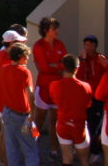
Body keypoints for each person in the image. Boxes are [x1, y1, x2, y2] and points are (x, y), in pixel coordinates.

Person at [0, 43, 39, 166]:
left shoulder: (4, 69)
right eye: (26, 56)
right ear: (21, 56)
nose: (27, 59)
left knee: (12, 147)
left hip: (7, 112)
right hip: (22, 116)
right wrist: (32, 114)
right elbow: (30, 95)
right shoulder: (25, 72)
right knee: (30, 149)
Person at [50, 55, 93, 166]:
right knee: (84, 160)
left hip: (63, 124)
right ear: (77, 68)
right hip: (79, 125)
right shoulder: (86, 86)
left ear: (63, 67)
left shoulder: (54, 85)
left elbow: (55, 100)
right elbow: (88, 104)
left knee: (66, 159)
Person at [34, 17, 67, 153]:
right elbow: (43, 68)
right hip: (43, 88)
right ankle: (32, 146)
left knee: (55, 120)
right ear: (46, 30)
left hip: (57, 89)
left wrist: (55, 65)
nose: (57, 31)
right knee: (38, 120)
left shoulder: (60, 44)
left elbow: (65, 64)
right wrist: (58, 67)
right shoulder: (38, 45)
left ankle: (54, 150)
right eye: (54, 29)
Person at [76, 34, 108, 149]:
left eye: (90, 45)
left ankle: (95, 150)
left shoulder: (100, 58)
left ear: (95, 46)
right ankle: (86, 147)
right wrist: (83, 61)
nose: (88, 47)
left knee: (95, 125)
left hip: (98, 97)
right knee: (84, 123)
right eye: (86, 45)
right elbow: (79, 77)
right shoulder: (80, 60)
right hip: (85, 97)